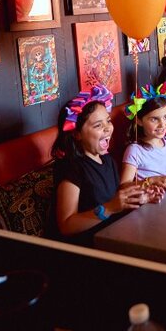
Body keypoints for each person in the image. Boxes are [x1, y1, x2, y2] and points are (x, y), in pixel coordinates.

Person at [50, 85, 149, 245]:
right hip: (87, 250)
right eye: (98, 125)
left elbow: (116, 197)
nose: (108, 128)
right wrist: (109, 208)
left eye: (108, 121)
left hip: (115, 237)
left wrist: (144, 192)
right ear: (76, 134)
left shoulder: (107, 159)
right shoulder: (70, 167)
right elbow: (66, 225)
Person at [121, 85, 166, 193]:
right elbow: (123, 187)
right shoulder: (135, 150)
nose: (162, 124)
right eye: (154, 119)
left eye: (165, 117)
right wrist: (151, 181)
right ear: (139, 121)